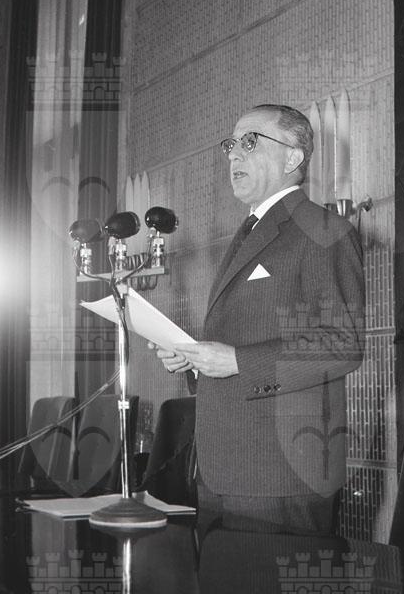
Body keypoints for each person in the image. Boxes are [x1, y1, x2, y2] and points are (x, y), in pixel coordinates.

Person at [150, 104, 365, 533]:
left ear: (292, 158)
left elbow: (343, 344)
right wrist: (196, 361)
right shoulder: (249, 232)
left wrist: (237, 362)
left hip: (281, 474)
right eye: (231, 145)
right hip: (222, 469)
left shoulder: (322, 229)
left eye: (250, 142)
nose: (233, 154)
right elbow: (243, 338)